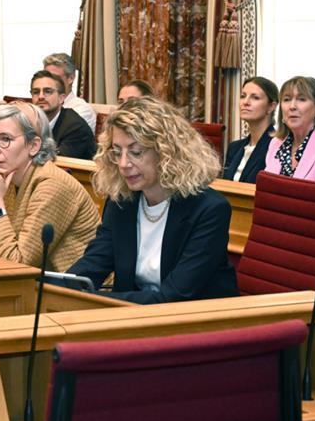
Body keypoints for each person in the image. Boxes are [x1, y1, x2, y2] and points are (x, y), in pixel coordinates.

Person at [62, 96, 238, 304]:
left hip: (196, 322)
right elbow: (94, 263)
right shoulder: (121, 202)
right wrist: (61, 288)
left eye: (136, 152)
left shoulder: (209, 210)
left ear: (166, 152)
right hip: (134, 315)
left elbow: (175, 295)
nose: (124, 164)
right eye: (117, 153)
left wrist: (96, 299)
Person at [0, 102, 99, 271]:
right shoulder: (8, 177)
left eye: (5, 139)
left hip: (76, 292)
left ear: (34, 146)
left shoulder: (52, 185)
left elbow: (17, 265)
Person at [223, 76, 278, 183]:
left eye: (255, 97)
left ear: (271, 107)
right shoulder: (234, 147)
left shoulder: (278, 147)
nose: (246, 102)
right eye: (243, 96)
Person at [29, 70, 95, 159]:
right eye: (36, 92)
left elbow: (56, 163)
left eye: (47, 91)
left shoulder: (75, 127)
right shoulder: (28, 121)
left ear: (61, 98)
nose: (40, 96)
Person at [42, 52, 96, 133]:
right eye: (45, 76)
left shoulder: (81, 109)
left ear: (70, 78)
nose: (48, 82)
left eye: (54, 77)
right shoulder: (41, 104)